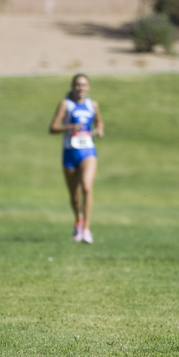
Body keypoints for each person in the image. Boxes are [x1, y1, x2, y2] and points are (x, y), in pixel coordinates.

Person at [49, 73, 104, 244]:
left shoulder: (92, 105)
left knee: (87, 187)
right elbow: (52, 128)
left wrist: (100, 129)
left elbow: (99, 123)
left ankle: (86, 230)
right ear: (73, 86)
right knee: (74, 196)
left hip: (88, 152)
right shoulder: (66, 104)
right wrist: (70, 127)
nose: (81, 88)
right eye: (78, 85)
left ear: (88, 87)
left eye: (84, 85)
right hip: (69, 152)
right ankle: (78, 220)